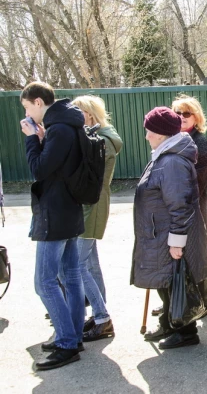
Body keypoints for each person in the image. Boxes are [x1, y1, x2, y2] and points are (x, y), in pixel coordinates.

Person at [130, 107, 207, 349]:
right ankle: (168, 324)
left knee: (176, 282)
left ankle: (185, 331)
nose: (146, 136)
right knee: (165, 281)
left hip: (168, 233)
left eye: (149, 131)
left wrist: (177, 240)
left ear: (162, 134)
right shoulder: (165, 155)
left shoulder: (172, 161)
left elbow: (180, 203)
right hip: (159, 232)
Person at [20, 81, 85, 370]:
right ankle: (72, 336)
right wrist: (44, 140)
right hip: (69, 209)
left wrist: (31, 140)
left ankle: (67, 343)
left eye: (26, 107)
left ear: (37, 102)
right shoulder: (68, 123)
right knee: (71, 276)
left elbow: (40, 170)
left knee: (44, 282)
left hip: (55, 213)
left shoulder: (58, 128)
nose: (27, 113)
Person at [150, 95, 207, 318]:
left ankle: (203, 301)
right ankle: (176, 299)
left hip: (193, 208)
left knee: (196, 255)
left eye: (187, 113)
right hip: (174, 207)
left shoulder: (199, 144)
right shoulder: (173, 140)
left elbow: (196, 184)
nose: (181, 117)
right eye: (177, 113)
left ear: (196, 118)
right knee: (176, 258)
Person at [70, 96, 123, 341]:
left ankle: (102, 317)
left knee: (78, 265)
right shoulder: (99, 136)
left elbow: (86, 172)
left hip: (93, 204)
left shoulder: (100, 140)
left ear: (89, 115)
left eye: (78, 112)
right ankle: (99, 314)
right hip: (91, 203)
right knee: (90, 263)